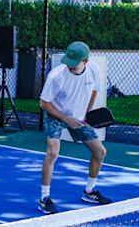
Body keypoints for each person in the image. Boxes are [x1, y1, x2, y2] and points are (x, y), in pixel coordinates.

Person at [38, 41, 112, 214]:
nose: (69, 67)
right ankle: (44, 198)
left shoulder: (93, 70)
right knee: (53, 152)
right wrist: (66, 119)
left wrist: (88, 114)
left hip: (79, 119)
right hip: (56, 115)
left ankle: (89, 192)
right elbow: (44, 103)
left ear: (85, 61)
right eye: (68, 63)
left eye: (74, 64)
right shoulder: (56, 76)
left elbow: (94, 90)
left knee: (100, 152)